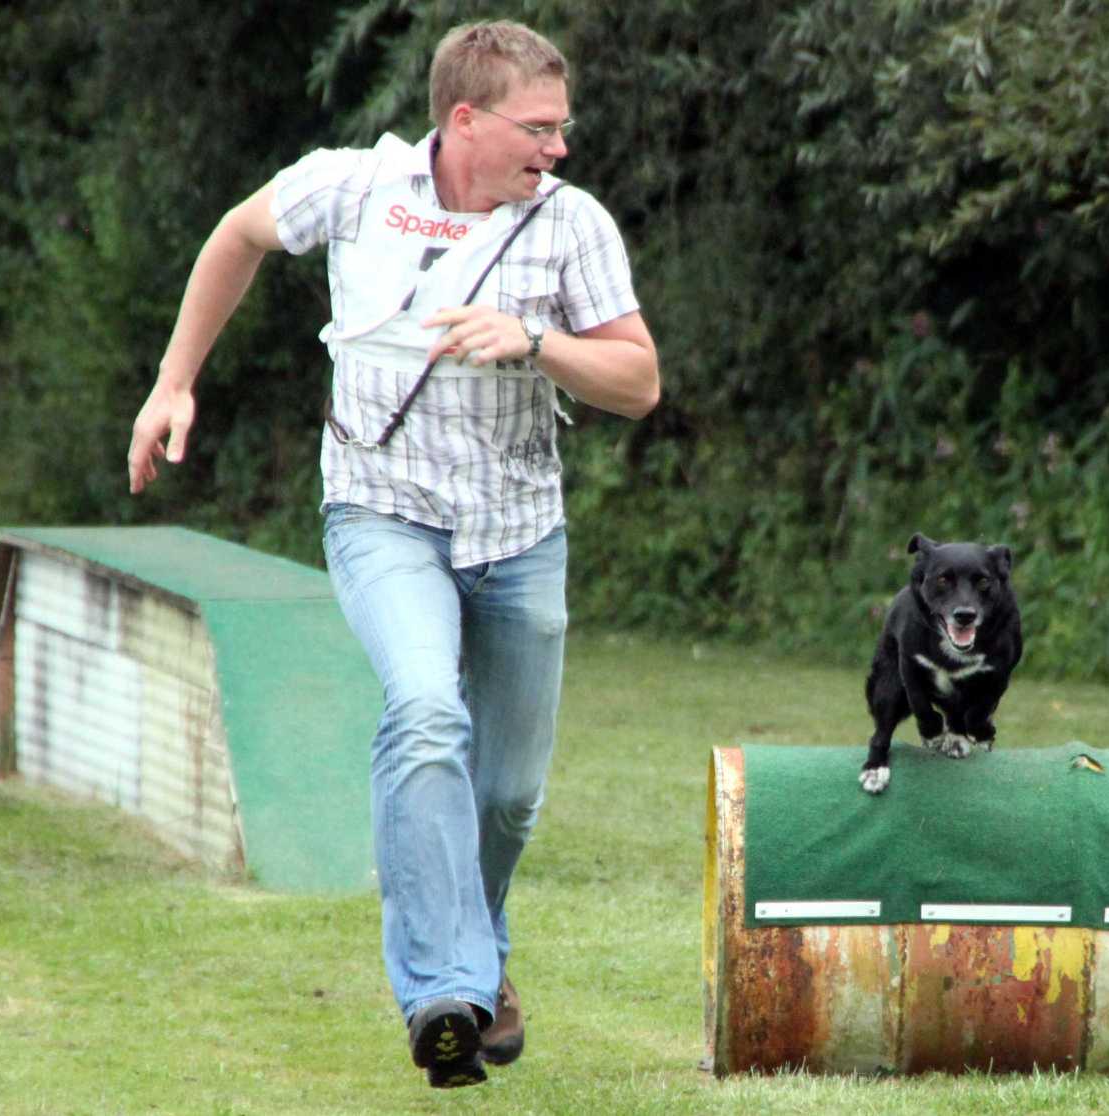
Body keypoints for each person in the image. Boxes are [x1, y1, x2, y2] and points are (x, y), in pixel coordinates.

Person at [127, 20, 658, 1090]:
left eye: (563, 128)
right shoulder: (356, 187)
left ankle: (478, 949)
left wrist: (537, 341)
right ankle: (444, 997)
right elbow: (238, 234)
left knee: (506, 795)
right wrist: (174, 380)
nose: (557, 148)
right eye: (538, 129)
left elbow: (638, 382)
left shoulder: (573, 226)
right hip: (380, 511)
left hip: (518, 533)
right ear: (466, 120)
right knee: (425, 711)